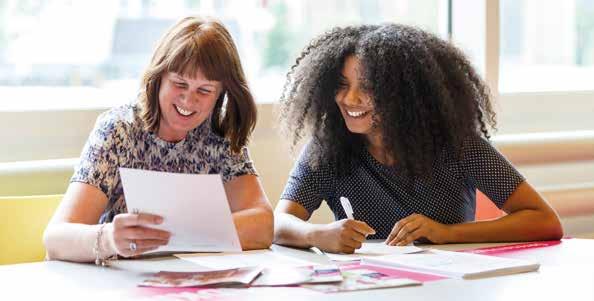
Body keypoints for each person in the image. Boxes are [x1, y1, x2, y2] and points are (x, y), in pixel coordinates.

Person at [273, 24, 563, 254]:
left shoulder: (456, 143)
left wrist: (445, 233)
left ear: (405, 96)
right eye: (342, 85)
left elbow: (543, 220)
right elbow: (277, 223)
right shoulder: (329, 148)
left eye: (368, 87)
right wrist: (319, 235)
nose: (350, 99)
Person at [43, 16, 273, 263]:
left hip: (193, 281)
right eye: (179, 84)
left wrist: (179, 231)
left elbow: (263, 225)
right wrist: (110, 238)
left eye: (204, 90)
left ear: (220, 94)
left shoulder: (220, 136)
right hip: (118, 283)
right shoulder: (119, 131)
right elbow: (56, 240)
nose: (188, 100)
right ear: (159, 78)